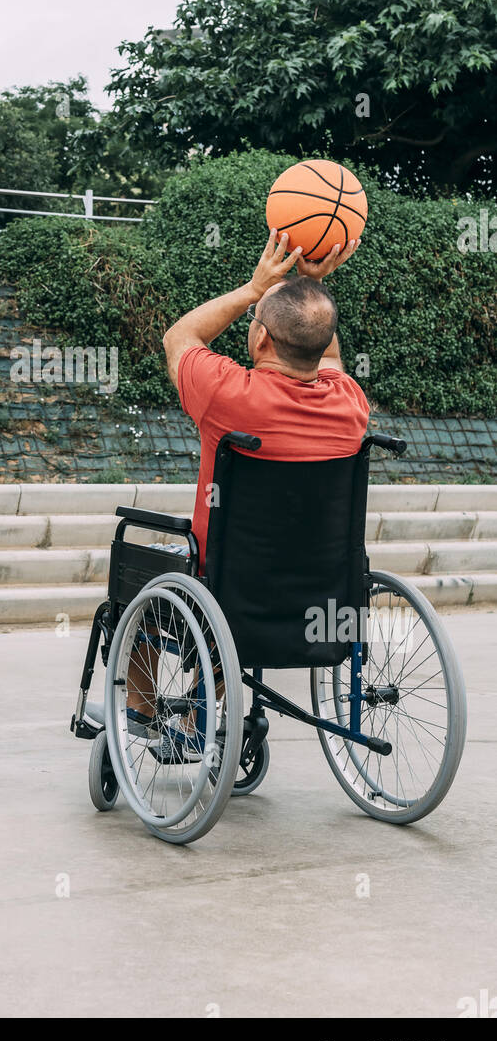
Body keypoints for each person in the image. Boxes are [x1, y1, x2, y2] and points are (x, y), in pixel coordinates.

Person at [126, 228, 370, 747]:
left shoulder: (227, 395)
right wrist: (310, 290)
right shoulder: (349, 404)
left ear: (261, 340)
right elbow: (324, 356)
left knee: (139, 575)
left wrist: (255, 290)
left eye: (257, 323)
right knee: (234, 585)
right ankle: (201, 710)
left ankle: (143, 715)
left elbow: (179, 339)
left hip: (228, 583)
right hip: (322, 589)